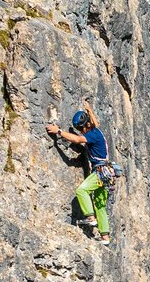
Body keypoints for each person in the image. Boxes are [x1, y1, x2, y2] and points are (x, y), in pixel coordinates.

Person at [46, 100, 115, 245]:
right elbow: (95, 122)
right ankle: (105, 238)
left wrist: (58, 131)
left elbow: (77, 140)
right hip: (108, 173)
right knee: (100, 205)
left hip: (100, 171)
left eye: (82, 128)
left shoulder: (92, 135)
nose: (81, 131)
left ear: (87, 125)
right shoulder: (96, 130)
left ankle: (91, 218)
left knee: (81, 190)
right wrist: (89, 110)